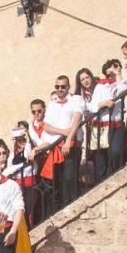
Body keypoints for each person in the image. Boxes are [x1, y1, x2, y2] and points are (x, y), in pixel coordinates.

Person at [42, 75, 85, 207]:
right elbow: (46, 126)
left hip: (71, 145)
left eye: (63, 86)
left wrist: (68, 139)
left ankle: (72, 205)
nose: (60, 89)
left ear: (68, 87)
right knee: (60, 180)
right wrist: (63, 132)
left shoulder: (76, 99)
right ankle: (63, 207)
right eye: (57, 87)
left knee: (70, 177)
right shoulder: (52, 104)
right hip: (57, 146)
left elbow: (77, 119)